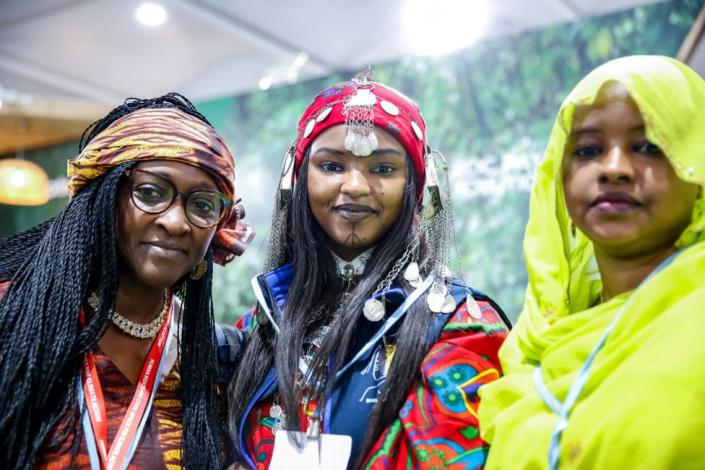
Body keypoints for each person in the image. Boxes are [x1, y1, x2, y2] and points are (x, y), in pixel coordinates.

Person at [227, 71, 511, 469]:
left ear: (416, 187)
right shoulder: (260, 323)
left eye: (383, 169)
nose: (356, 186)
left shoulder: (461, 327)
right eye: (331, 166)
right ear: (298, 179)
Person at [0, 93, 252, 469]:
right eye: (150, 193)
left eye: (201, 205)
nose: (176, 222)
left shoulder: (216, 358)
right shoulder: (14, 318)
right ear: (101, 198)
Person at [478, 55, 705, 469]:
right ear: (558, 179)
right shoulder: (537, 340)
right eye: (586, 150)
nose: (614, 168)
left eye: (649, 146)